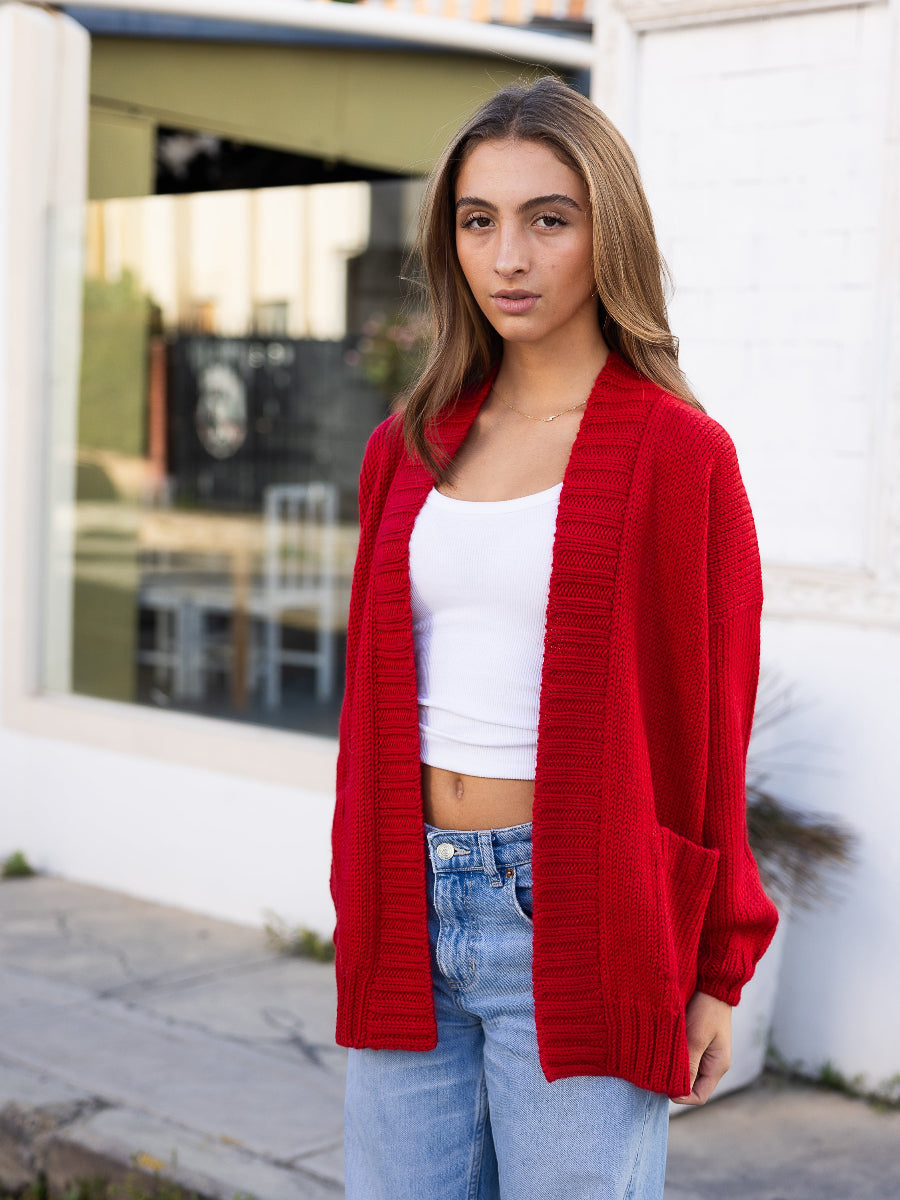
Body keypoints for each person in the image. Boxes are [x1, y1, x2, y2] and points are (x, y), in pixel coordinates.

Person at [330, 75, 779, 1200]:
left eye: (549, 219)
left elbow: (710, 729)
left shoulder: (681, 457)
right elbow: (368, 707)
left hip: (575, 909)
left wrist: (717, 967)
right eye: (480, 222)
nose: (509, 258)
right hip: (405, 891)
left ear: (605, 233)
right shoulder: (406, 448)